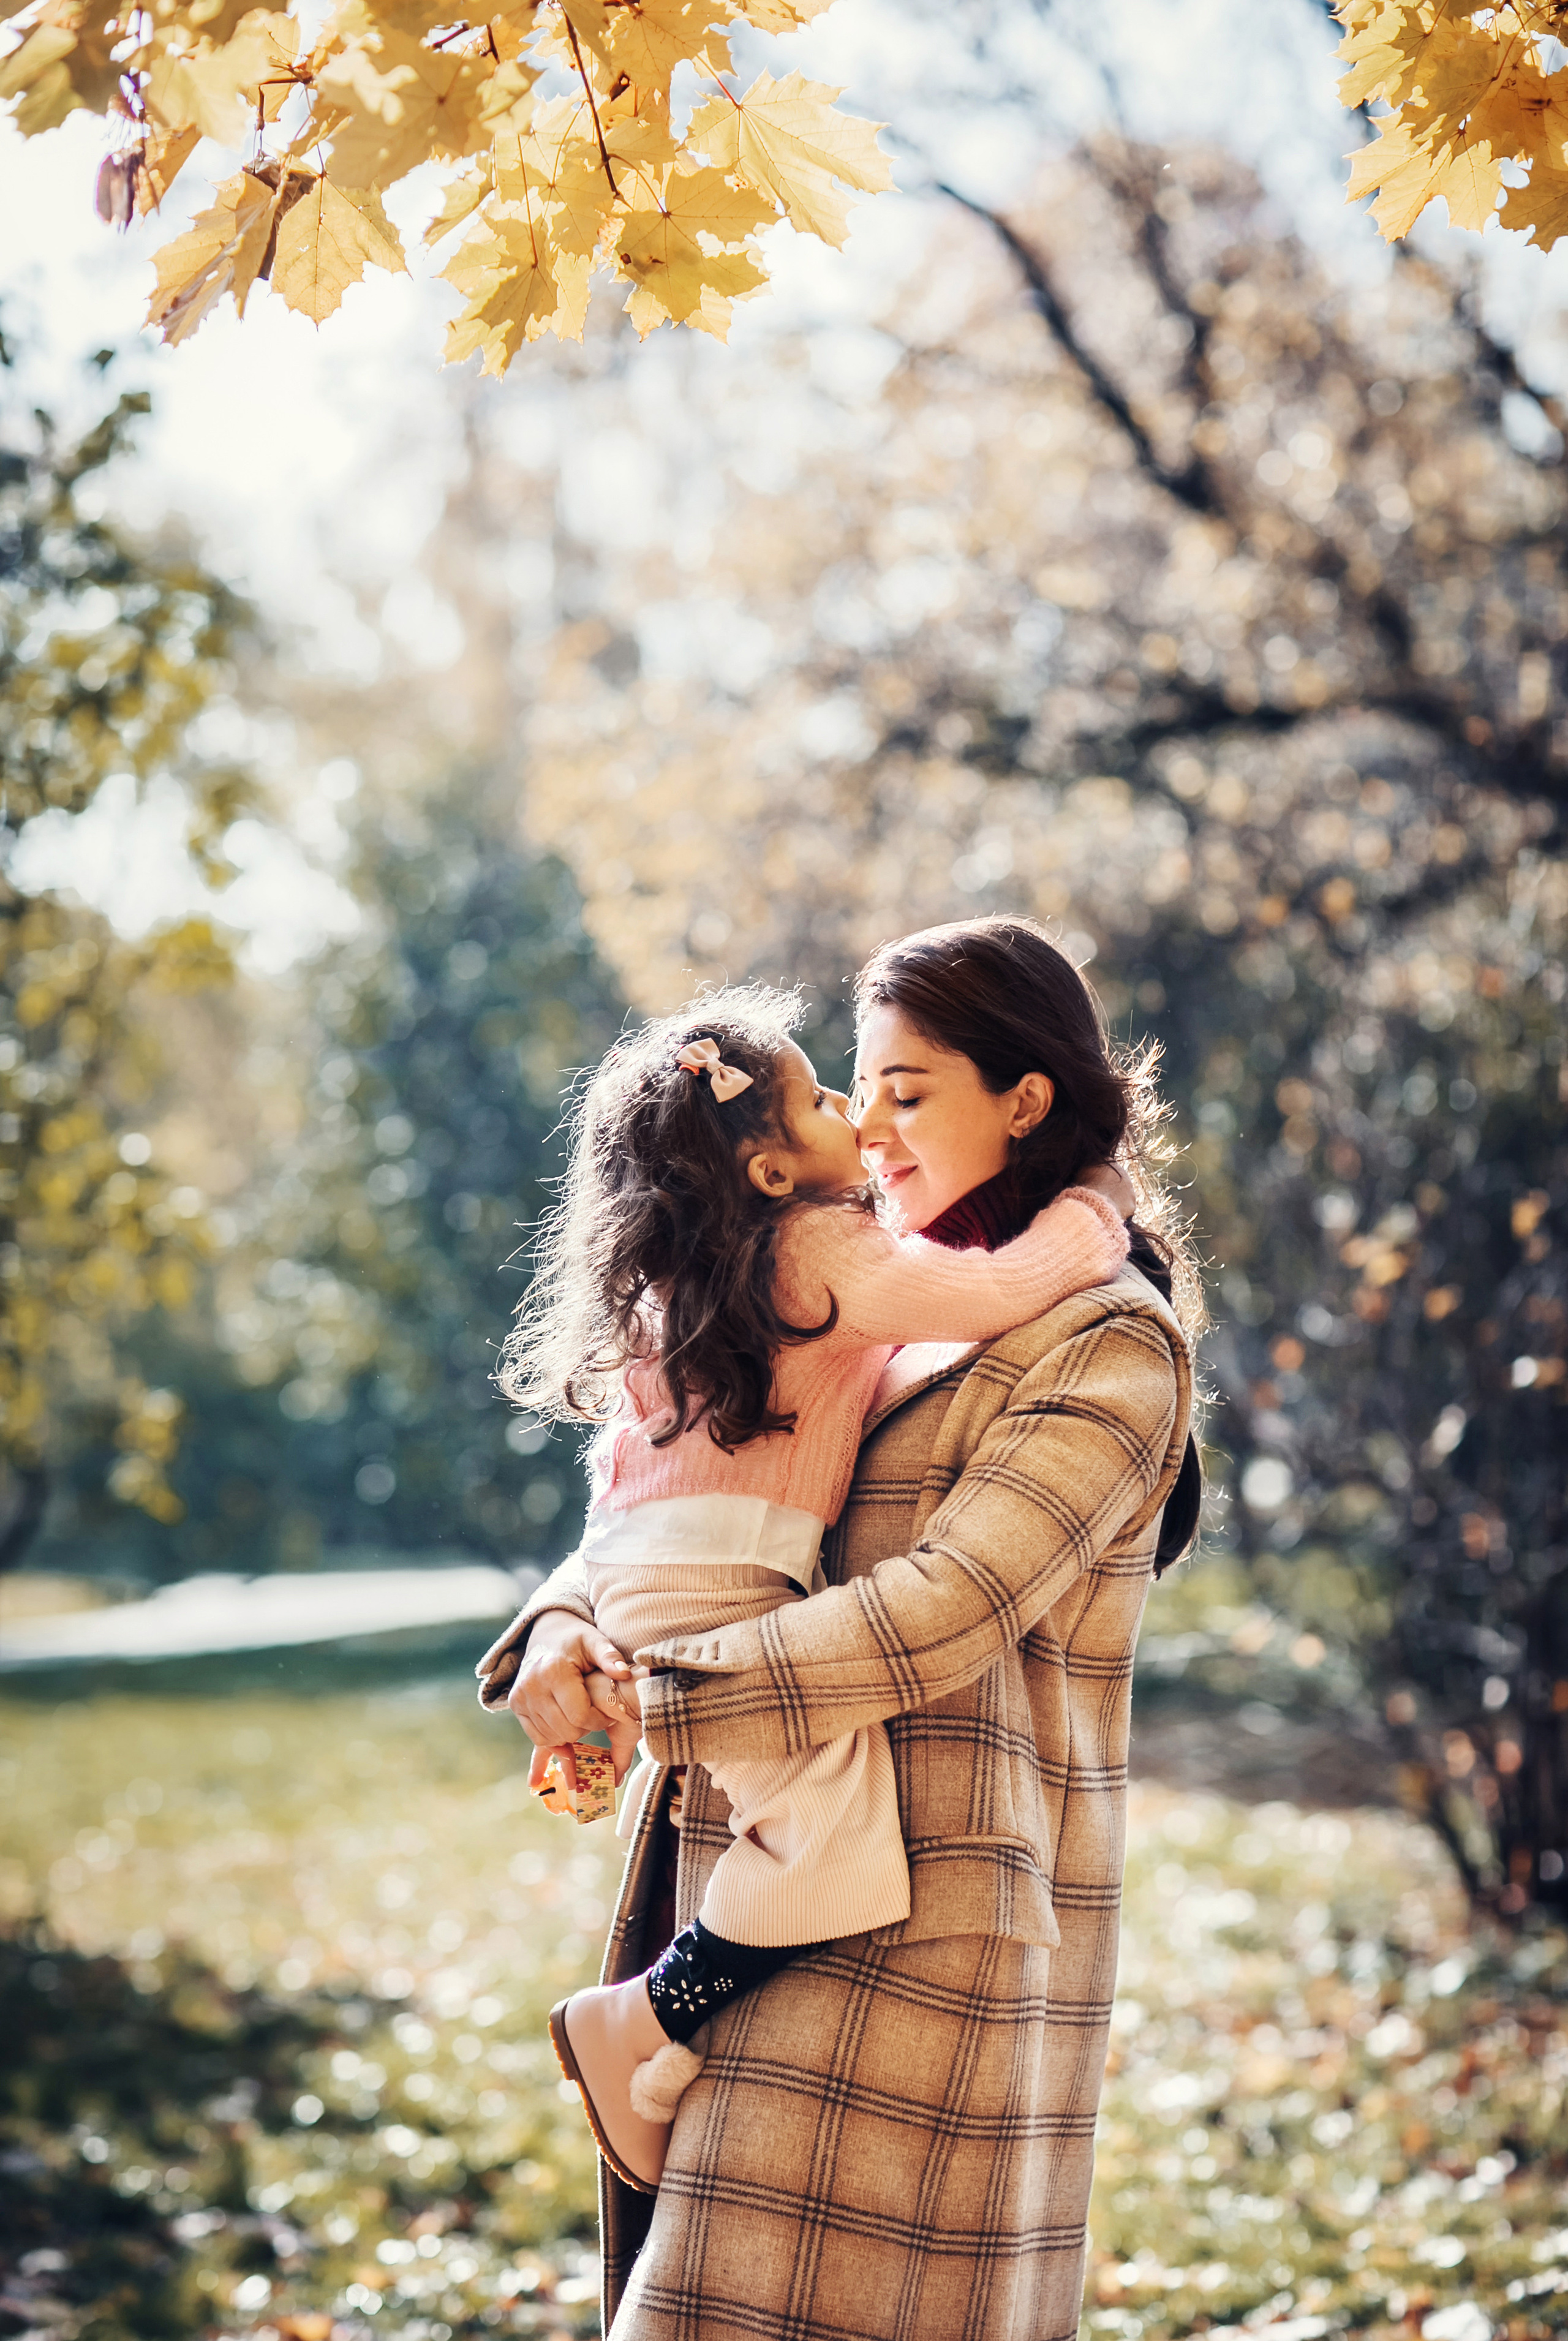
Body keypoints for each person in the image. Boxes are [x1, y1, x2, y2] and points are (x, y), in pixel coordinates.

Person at [499, 916, 1200, 2341]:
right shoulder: (852, 1297)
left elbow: (944, 1613)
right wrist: (569, 1621)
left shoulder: (1101, 1341)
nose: (869, 1128)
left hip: (931, 1929)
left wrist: (667, 1697)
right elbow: (686, 1482)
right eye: (856, 1087)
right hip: (762, 1887)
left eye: (909, 1088)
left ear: (1024, 1100)